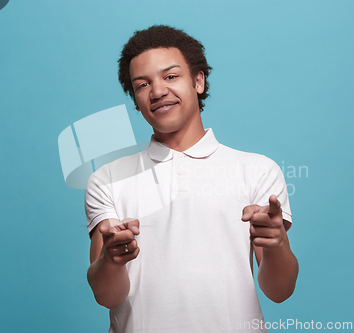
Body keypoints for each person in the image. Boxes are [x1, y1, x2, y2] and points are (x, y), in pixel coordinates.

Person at [85, 25, 298, 333]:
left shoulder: (257, 170)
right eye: (143, 84)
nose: (157, 91)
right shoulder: (106, 179)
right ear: (135, 99)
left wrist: (277, 244)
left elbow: (280, 291)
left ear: (198, 81)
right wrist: (111, 260)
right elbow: (106, 296)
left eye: (171, 76)